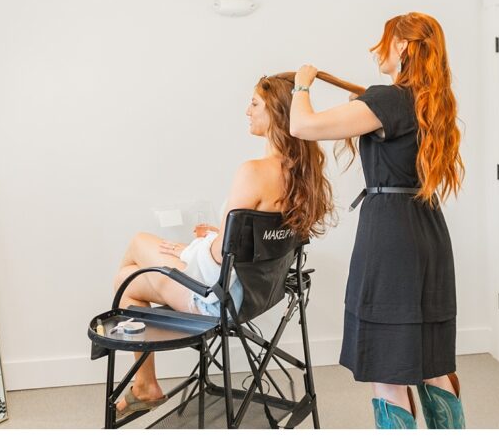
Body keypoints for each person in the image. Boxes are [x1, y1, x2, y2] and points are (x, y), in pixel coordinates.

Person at [110, 74, 335, 418]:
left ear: (276, 113)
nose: (247, 110)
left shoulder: (253, 171)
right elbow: (250, 241)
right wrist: (217, 236)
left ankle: (145, 385)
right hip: (262, 292)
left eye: (255, 104)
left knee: (131, 265)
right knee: (137, 268)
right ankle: (144, 384)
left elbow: (217, 258)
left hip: (219, 301)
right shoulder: (305, 174)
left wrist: (189, 251)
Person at [289, 12, 466, 429]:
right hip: (427, 231)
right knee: (430, 364)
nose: (377, 49)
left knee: (388, 370)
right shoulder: (427, 101)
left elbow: (302, 125)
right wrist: (364, 105)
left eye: (384, 40)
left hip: (391, 237)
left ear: (403, 46)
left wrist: (302, 83)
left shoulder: (389, 100)